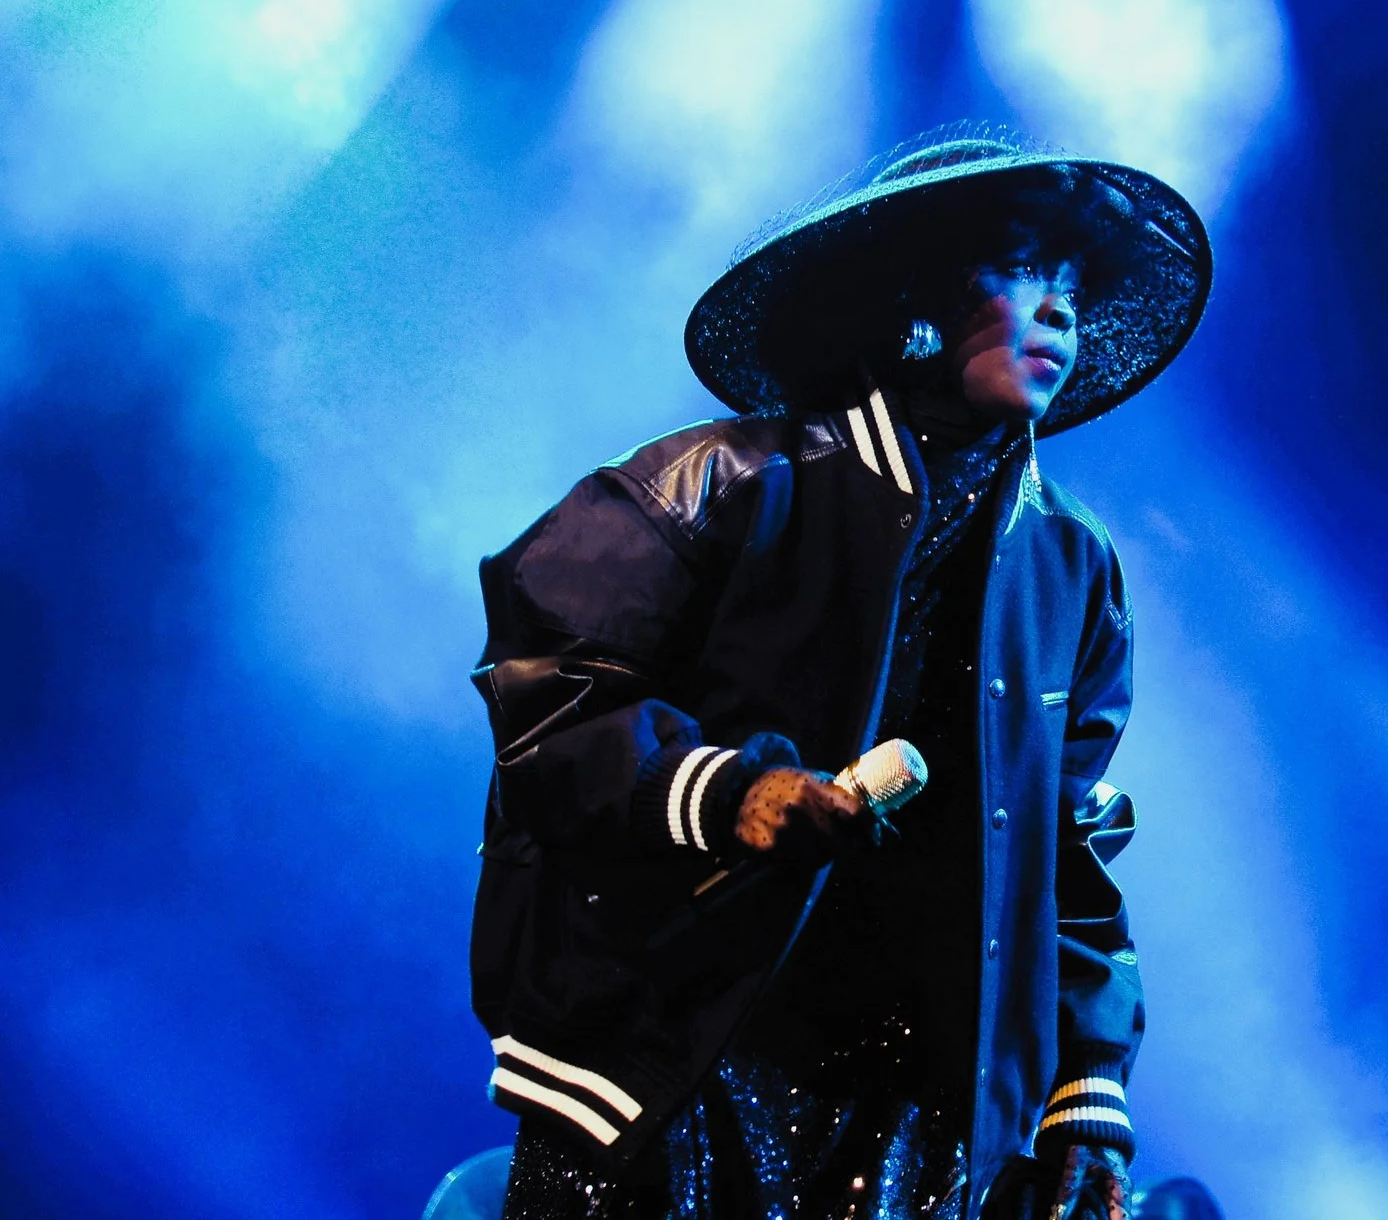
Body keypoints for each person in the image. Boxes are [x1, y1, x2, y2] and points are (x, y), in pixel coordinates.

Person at [467, 132, 1213, 1220]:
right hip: (677, 1060)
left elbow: (1070, 841)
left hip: (915, 1108)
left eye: (1073, 283)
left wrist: (1083, 1089)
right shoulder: (716, 483)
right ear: (914, 292)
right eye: (1019, 268)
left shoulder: (1074, 568)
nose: (1059, 307)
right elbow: (553, 691)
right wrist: (732, 792)